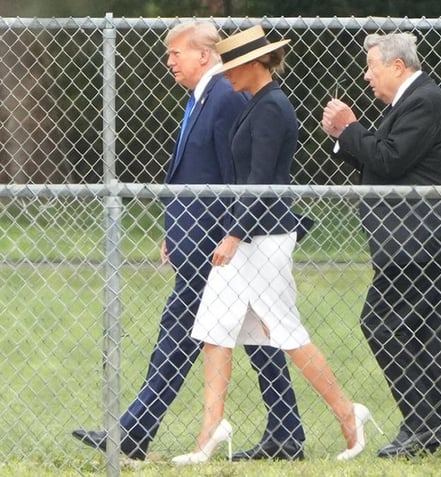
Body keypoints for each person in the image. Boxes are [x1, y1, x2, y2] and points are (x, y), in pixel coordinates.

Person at [71, 20, 307, 462]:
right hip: (199, 238)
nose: (169, 63)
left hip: (215, 246)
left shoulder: (224, 98)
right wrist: (174, 230)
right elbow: (192, 174)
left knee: (183, 332)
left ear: (205, 54)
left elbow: (232, 175)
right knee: (255, 336)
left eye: (175, 53)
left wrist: (230, 236)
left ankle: (134, 432)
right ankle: (286, 431)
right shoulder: (202, 98)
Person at [171, 25, 374, 464]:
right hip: (249, 236)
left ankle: (347, 412)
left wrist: (233, 233)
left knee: (285, 333)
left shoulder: (272, 107)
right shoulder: (257, 104)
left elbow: (262, 181)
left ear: (253, 63)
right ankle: (210, 432)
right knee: (213, 331)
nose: (225, 72)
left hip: (263, 239)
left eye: (231, 64)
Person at [321, 32, 441, 458]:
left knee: (382, 324)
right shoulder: (406, 104)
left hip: (424, 240)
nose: (366, 75)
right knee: (424, 335)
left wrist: (350, 128)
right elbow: (384, 159)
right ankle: (435, 430)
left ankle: (425, 425)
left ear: (397, 66)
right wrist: (344, 135)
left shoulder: (423, 100)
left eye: (371, 67)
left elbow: (389, 159)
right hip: (415, 241)